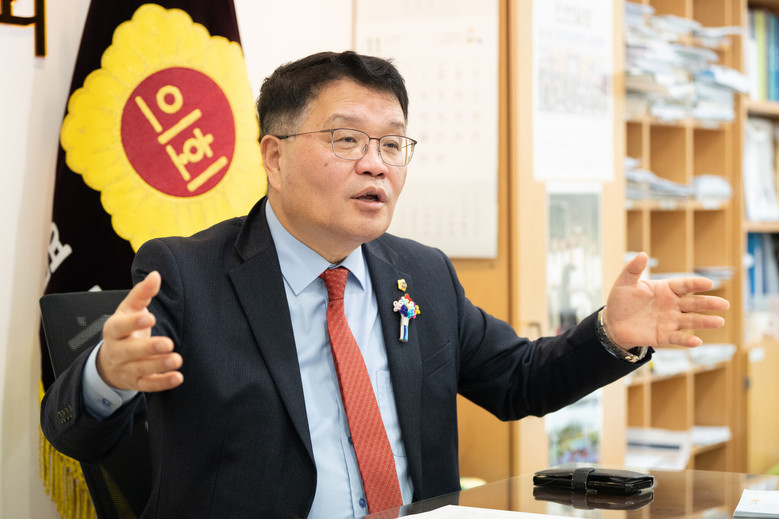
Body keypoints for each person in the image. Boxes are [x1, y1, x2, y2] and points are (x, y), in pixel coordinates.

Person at [41, 51, 729, 519]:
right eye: (346, 140)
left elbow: (519, 381)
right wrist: (107, 374)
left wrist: (609, 334)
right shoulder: (187, 272)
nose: (376, 164)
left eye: (393, 144)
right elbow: (73, 431)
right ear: (273, 157)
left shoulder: (420, 271)